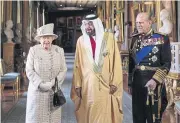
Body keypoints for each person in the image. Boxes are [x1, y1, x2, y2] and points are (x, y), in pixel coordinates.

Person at [70, 14, 123, 123]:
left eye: (90, 24)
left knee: (104, 113)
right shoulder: (81, 41)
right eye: (85, 24)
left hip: (106, 84)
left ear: (96, 24)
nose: (87, 27)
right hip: (87, 85)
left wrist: (114, 82)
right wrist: (78, 84)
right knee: (89, 112)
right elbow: (77, 64)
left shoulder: (109, 38)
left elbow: (116, 61)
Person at [128, 12, 171, 123]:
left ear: (149, 23)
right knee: (138, 116)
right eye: (137, 23)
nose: (138, 25)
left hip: (153, 83)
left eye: (141, 22)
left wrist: (155, 80)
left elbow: (167, 63)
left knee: (153, 116)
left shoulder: (162, 38)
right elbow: (131, 64)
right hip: (137, 82)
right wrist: (129, 83)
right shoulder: (134, 39)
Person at [25, 23, 67, 123]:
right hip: (37, 92)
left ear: (52, 39)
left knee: (52, 119)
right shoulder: (33, 50)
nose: (46, 40)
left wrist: (53, 83)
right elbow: (29, 70)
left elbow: (63, 69)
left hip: (54, 92)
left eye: (48, 37)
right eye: (43, 38)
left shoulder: (59, 51)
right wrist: (40, 84)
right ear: (40, 39)